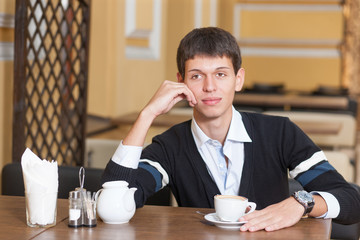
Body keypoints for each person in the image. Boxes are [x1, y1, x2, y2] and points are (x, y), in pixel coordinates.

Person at [101, 27, 360, 232]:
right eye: (197, 75)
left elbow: (351, 200)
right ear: (180, 82)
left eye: (221, 74)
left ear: (239, 79)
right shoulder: (170, 146)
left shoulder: (279, 133)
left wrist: (301, 204)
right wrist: (147, 114)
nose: (210, 87)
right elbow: (114, 201)